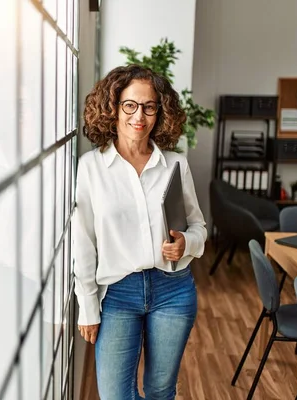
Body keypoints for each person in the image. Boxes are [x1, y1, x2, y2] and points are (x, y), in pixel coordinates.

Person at [73, 64, 206, 400]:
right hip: (117, 293)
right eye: (130, 105)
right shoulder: (91, 167)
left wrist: (185, 243)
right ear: (113, 108)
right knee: (116, 394)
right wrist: (87, 306)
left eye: (149, 107)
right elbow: (83, 241)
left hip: (173, 290)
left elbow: (199, 227)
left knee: (161, 391)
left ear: (160, 113)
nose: (139, 116)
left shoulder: (176, 164)